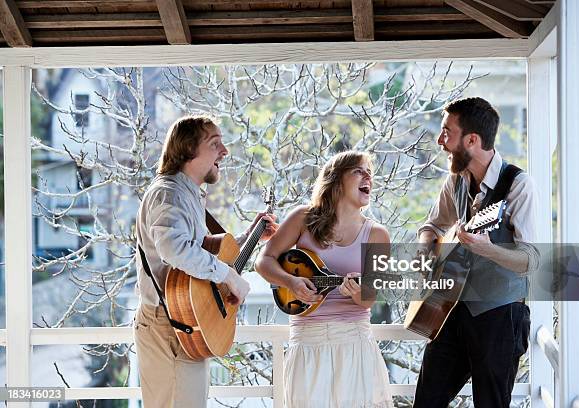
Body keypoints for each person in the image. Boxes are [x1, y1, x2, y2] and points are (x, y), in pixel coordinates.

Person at [134, 115, 278, 408]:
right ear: (188, 150)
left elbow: (200, 252)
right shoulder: (169, 193)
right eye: (215, 144)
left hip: (182, 322)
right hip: (168, 325)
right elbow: (174, 249)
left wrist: (248, 236)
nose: (224, 152)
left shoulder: (185, 194)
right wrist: (228, 276)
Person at [413, 97, 539, 407]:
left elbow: (531, 259)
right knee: (426, 402)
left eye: (447, 132)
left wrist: (489, 249)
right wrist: (427, 251)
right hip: (451, 311)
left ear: (472, 140)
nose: (440, 141)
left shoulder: (518, 185)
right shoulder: (454, 181)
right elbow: (431, 226)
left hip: (500, 316)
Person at [255, 150, 394, 408]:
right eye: (358, 171)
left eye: (370, 173)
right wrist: (291, 282)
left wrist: (357, 293)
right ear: (336, 180)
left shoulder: (377, 234)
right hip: (307, 341)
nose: (368, 178)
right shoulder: (302, 218)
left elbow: (370, 300)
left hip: (354, 344)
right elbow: (263, 261)